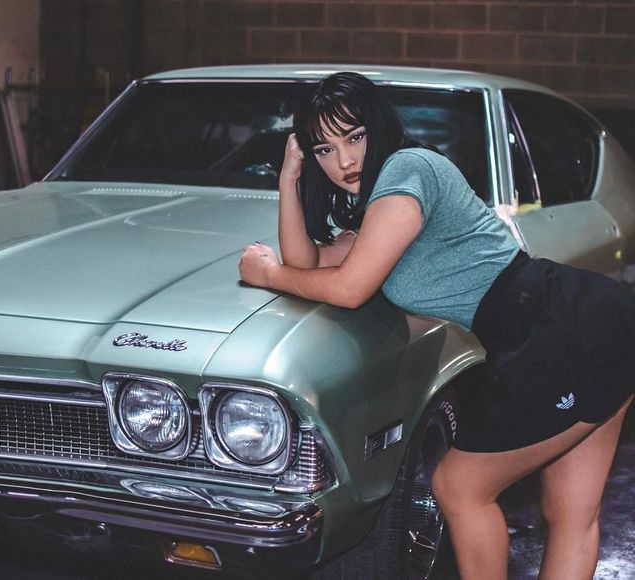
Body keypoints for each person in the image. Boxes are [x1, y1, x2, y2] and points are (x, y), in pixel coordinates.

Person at [238, 71, 635, 580]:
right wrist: (290, 176)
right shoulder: (383, 203)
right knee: (569, 514)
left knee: (460, 486)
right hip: (585, 320)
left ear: (378, 127)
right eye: (324, 150)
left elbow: (348, 287)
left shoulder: (409, 170)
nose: (344, 161)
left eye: (355, 137)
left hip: (556, 326)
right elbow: (312, 261)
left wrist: (270, 274)